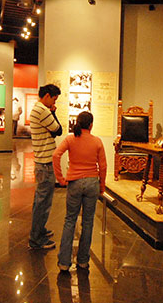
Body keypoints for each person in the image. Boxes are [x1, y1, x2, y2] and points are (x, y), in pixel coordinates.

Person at [53, 111, 106, 271]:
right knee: (88, 222)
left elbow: (56, 155)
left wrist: (60, 179)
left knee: (70, 220)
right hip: (92, 183)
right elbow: (103, 166)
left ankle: (64, 262)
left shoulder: (70, 139)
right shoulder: (97, 141)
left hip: (74, 182)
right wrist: (102, 186)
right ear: (91, 125)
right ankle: (83, 261)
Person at [28, 84, 63, 249]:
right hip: (45, 163)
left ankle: (39, 231)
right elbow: (58, 130)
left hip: (41, 161)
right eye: (54, 99)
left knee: (40, 200)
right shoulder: (43, 111)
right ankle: (36, 239)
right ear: (48, 96)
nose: (54, 102)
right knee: (43, 202)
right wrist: (54, 112)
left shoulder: (38, 109)